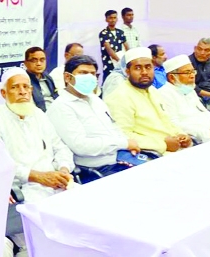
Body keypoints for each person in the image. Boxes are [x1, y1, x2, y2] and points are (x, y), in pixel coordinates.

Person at [0, 67, 75, 203]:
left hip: (56, 183)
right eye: (15, 87)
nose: (22, 92)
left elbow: (60, 147)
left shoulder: (39, 114)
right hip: (22, 190)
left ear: (31, 90)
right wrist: (38, 177)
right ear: (3, 93)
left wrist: (64, 170)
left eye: (25, 87)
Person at [47, 55, 139, 183]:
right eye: (83, 73)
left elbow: (114, 127)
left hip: (121, 156)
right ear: (68, 77)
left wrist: (127, 145)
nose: (90, 78)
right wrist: (123, 144)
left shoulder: (95, 100)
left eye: (93, 74)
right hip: (98, 168)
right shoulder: (61, 107)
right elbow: (81, 146)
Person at [104, 47, 192, 155]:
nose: (144, 72)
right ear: (127, 72)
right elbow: (123, 134)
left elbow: (166, 121)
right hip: (153, 154)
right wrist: (162, 144)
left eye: (148, 67)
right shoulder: (119, 97)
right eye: (138, 68)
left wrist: (181, 135)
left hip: (175, 148)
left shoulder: (153, 91)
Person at [157, 55, 210, 143]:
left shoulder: (187, 89)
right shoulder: (164, 94)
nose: (192, 76)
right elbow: (174, 125)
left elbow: (204, 112)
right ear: (171, 77)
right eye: (187, 72)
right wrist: (208, 133)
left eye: (193, 71)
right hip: (198, 140)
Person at [98, 10, 129, 82]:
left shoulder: (120, 32)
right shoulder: (103, 33)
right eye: (110, 18)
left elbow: (127, 46)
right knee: (108, 81)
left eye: (115, 18)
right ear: (106, 19)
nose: (113, 20)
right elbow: (109, 50)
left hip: (120, 60)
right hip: (109, 62)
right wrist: (120, 61)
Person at [23, 47, 58, 111]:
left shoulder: (48, 78)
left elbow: (56, 97)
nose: (39, 64)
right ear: (25, 63)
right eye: (34, 60)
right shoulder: (23, 80)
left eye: (42, 60)